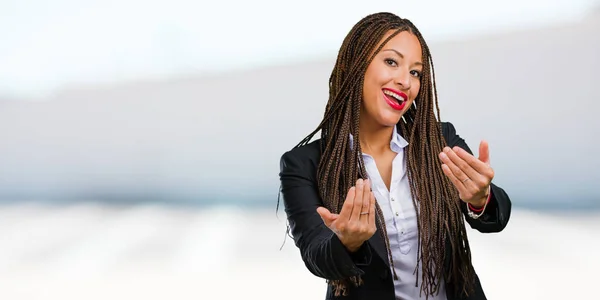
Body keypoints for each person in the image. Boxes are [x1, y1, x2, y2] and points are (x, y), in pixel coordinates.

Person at [278, 12, 512, 300]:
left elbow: (496, 215)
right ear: (357, 65)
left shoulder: (439, 141)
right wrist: (347, 243)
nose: (406, 81)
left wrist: (480, 199)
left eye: (415, 72)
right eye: (391, 62)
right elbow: (316, 255)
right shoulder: (303, 164)